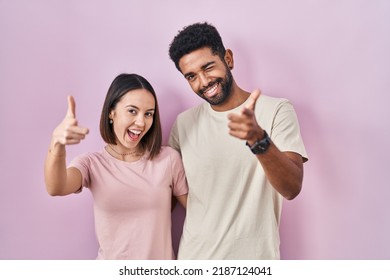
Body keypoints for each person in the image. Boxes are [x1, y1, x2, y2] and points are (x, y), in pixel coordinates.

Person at [168, 22, 308, 260]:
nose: (203, 82)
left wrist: (258, 139)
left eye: (208, 67)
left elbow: (292, 188)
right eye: (191, 76)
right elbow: (163, 192)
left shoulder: (276, 110)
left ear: (228, 59)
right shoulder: (184, 124)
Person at [44, 73, 188, 260]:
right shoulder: (92, 164)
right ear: (111, 112)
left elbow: (199, 213)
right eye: (132, 111)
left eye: (148, 114)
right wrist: (57, 144)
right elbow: (56, 187)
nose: (141, 122)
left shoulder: (168, 159)